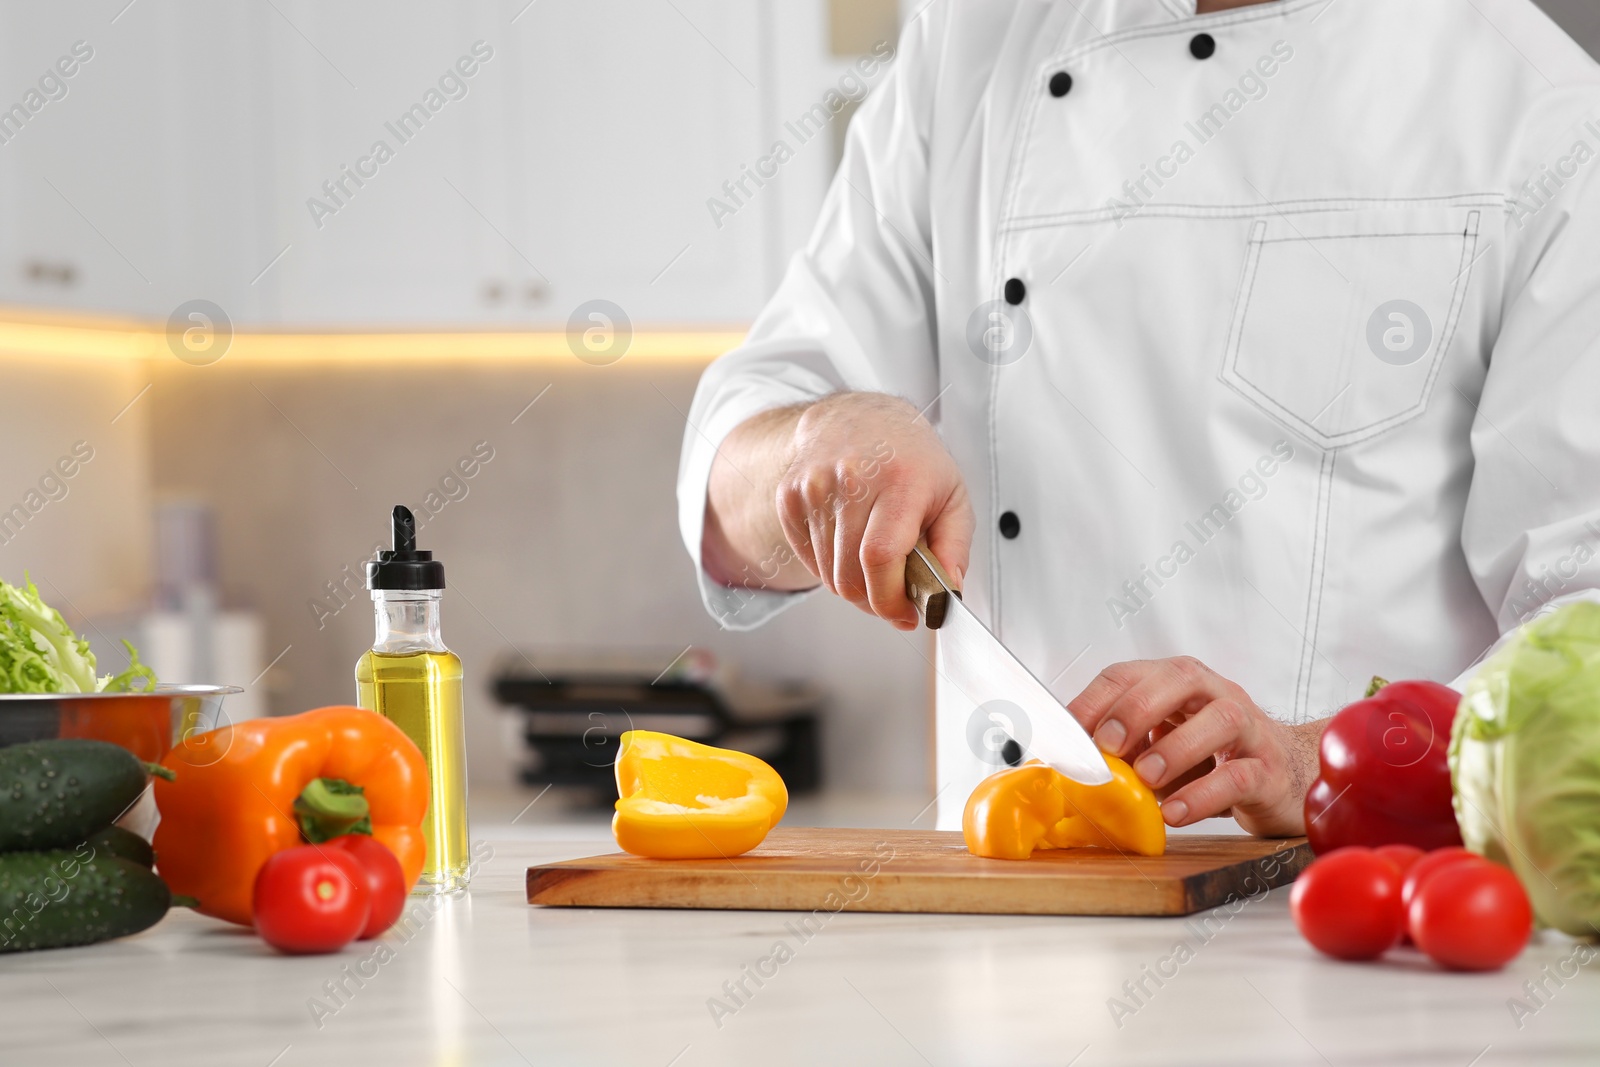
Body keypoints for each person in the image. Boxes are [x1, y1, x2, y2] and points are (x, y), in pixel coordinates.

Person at [676, 0, 1600, 834]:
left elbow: (1583, 621)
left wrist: (1310, 758)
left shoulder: (1541, 109)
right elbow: (729, 503)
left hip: (1342, 927)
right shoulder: (972, 42)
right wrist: (816, 446)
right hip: (1001, 923)